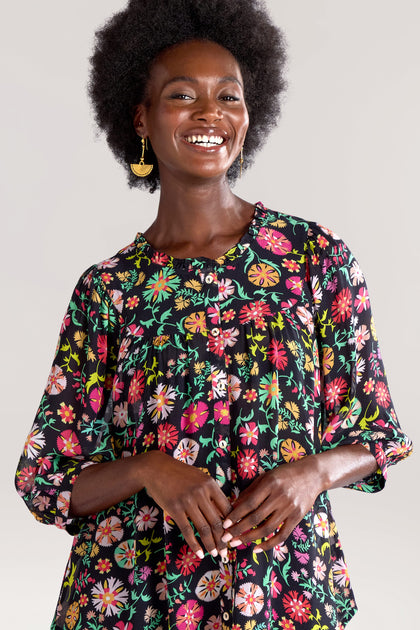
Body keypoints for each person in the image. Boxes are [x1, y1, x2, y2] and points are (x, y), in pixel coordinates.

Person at [15, 1, 413, 629]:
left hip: (281, 594)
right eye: (182, 95)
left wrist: (311, 473)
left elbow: (378, 436)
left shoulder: (313, 259)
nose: (210, 113)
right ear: (142, 119)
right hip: (133, 600)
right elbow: (48, 480)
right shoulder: (108, 289)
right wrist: (150, 468)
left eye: (229, 96)